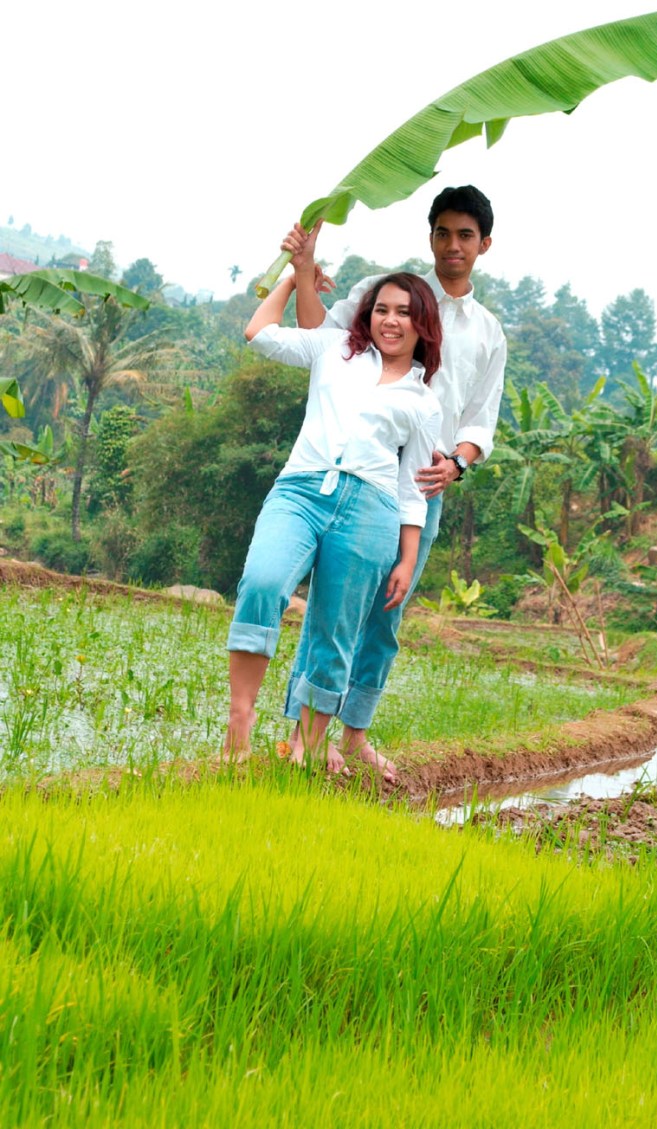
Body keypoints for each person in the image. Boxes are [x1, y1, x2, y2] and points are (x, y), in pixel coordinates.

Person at [281, 185, 506, 783]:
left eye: (465, 235)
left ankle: (354, 736)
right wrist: (303, 274)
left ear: (485, 244)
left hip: (424, 484)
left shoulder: (488, 332)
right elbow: (321, 345)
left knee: (387, 610)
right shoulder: (389, 296)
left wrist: (456, 463)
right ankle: (307, 735)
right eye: (442, 232)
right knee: (337, 605)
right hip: (361, 471)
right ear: (429, 237)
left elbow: (482, 418)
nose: (452, 245)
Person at [223, 267, 442, 771]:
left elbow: (413, 490)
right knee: (262, 580)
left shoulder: (423, 401)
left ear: (422, 324)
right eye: (382, 309)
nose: (390, 321)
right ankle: (241, 722)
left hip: (372, 509)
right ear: (368, 313)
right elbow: (259, 333)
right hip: (301, 489)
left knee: (335, 629)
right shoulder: (334, 349)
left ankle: (308, 745)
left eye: (404, 313)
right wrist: (289, 276)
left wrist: (407, 561)